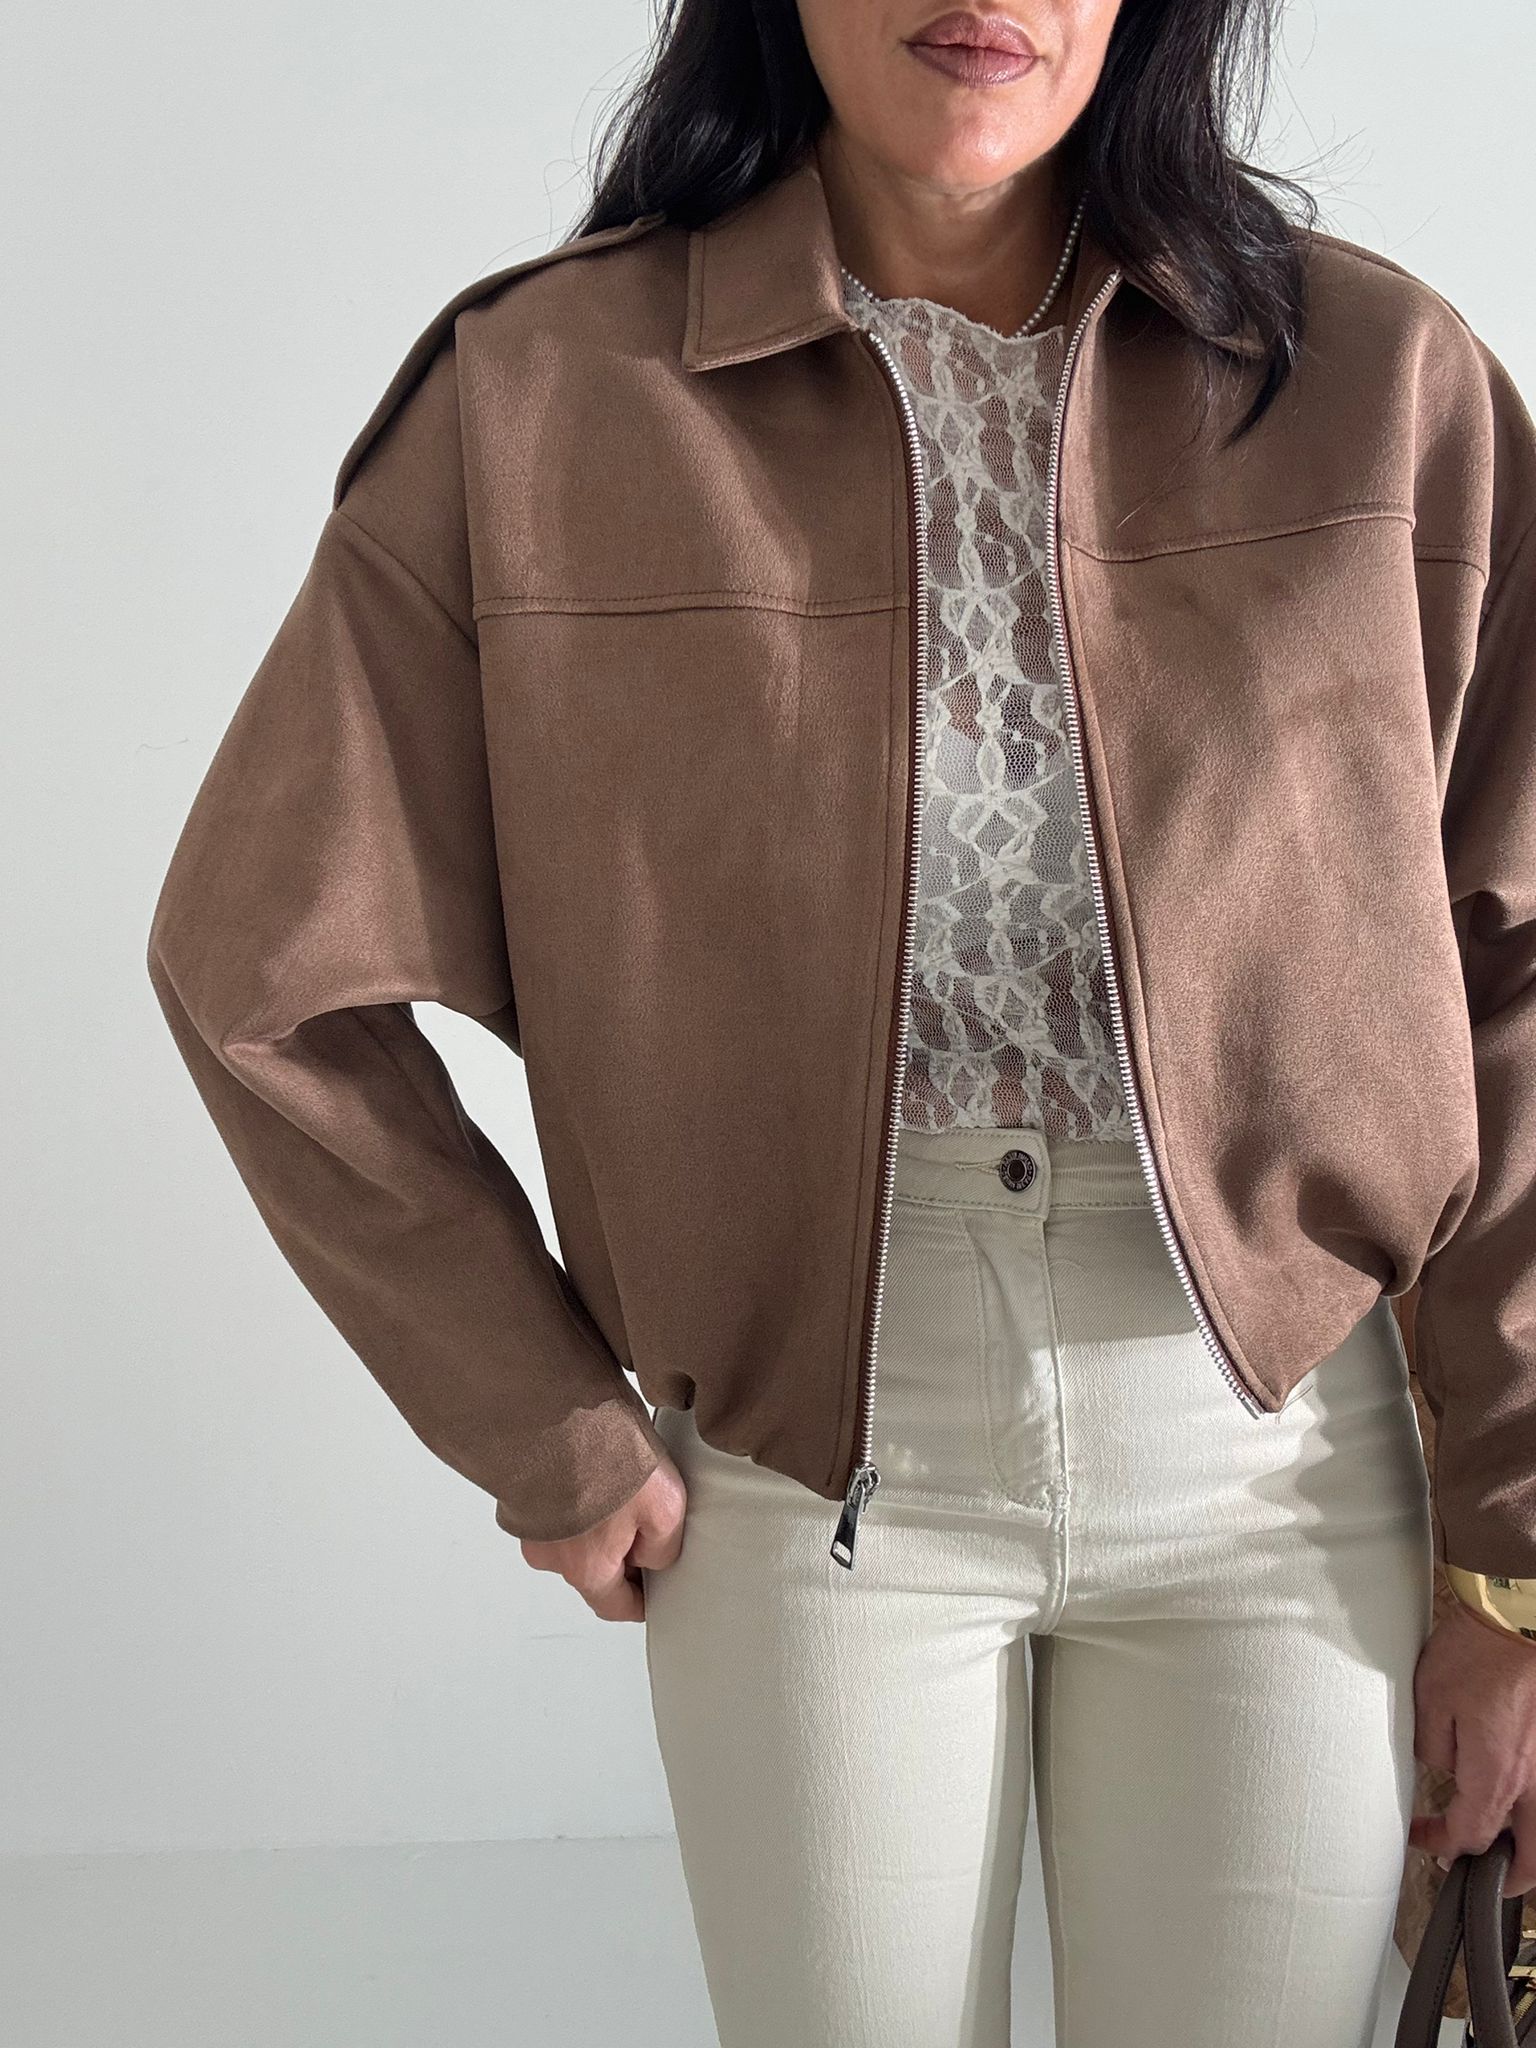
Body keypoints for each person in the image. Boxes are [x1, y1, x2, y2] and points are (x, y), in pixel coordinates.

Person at [146, 1, 1536, 2042]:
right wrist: (539, 1420)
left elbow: (1521, 972)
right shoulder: (544, 396)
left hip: (1283, 1460)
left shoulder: (1377, 386)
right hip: (810, 1466)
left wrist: (1515, 1558)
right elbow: (256, 961)